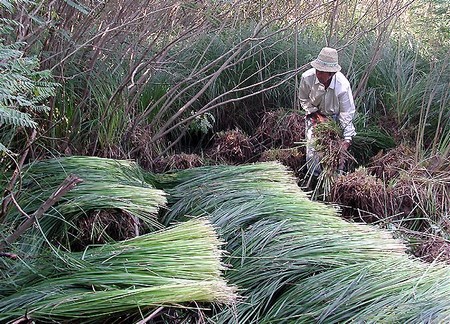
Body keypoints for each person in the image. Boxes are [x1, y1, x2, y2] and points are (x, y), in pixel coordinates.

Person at [298, 47, 356, 176]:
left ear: (331, 73)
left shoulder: (342, 86)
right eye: (317, 70)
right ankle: (314, 179)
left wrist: (347, 140)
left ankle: (335, 179)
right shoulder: (307, 78)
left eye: (322, 72)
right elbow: (303, 99)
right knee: (313, 151)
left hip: (334, 119)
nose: (318, 74)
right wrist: (316, 114)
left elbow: (346, 114)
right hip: (313, 115)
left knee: (335, 153)